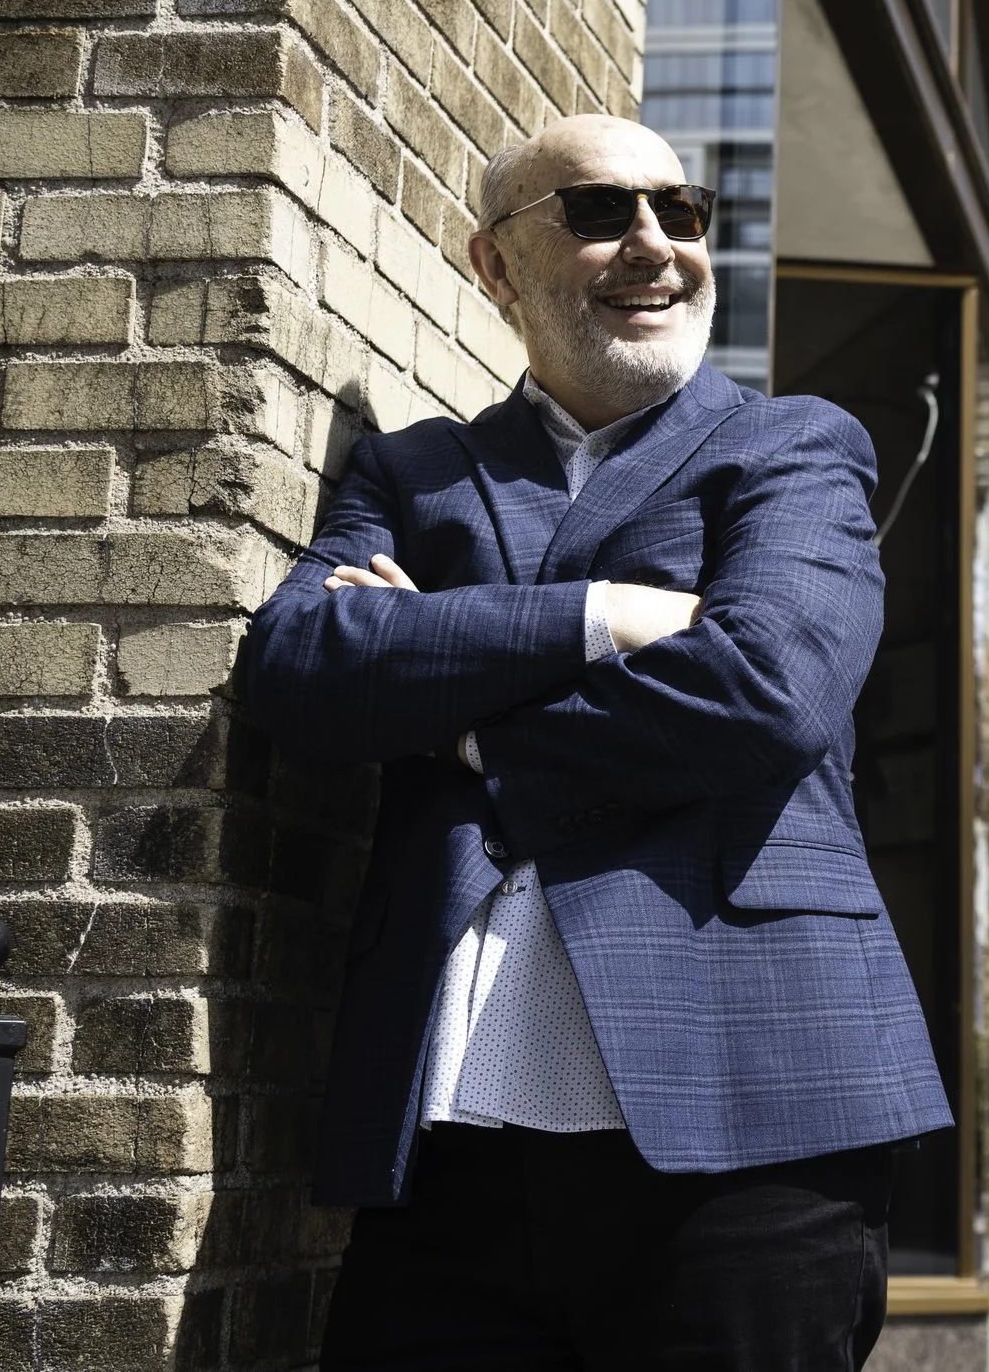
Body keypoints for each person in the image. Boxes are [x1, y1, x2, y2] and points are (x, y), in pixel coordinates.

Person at [239, 114, 951, 1370]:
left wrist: (453, 713)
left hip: (748, 1125)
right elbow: (301, 670)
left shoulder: (791, 447)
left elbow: (763, 688)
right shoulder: (414, 474)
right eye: (597, 212)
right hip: (446, 1141)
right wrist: (604, 616)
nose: (652, 244)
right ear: (496, 265)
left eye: (681, 213)